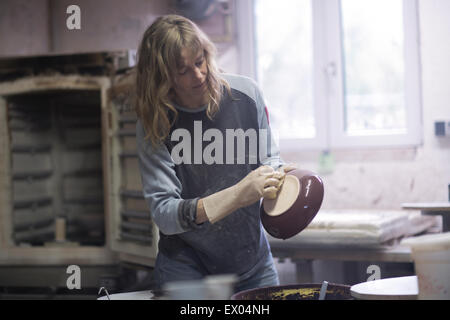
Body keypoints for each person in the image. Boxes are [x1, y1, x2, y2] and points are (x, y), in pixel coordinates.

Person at [134, 14, 295, 294]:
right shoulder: (155, 122)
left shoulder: (247, 94)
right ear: (162, 76)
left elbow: (270, 159)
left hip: (252, 261)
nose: (198, 75)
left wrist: (282, 181)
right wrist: (239, 194)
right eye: (182, 70)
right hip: (186, 267)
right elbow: (165, 214)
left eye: (199, 61)